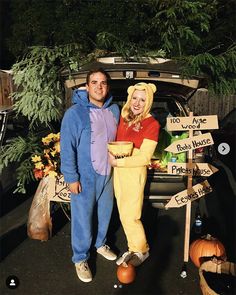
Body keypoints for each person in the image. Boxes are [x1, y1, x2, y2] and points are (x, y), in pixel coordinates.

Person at [60, 68, 120, 283]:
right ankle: (80, 257)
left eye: (103, 82)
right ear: (86, 86)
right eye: (94, 82)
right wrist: (71, 177)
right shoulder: (74, 113)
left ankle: (100, 243)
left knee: (105, 213)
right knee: (82, 219)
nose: (99, 87)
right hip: (85, 176)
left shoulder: (114, 109)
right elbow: (67, 148)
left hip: (108, 173)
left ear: (108, 86)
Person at [109, 82, 160, 267]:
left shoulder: (152, 124)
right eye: (135, 98)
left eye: (142, 100)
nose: (137, 103)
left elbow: (145, 157)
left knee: (131, 215)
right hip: (119, 173)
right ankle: (132, 247)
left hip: (133, 174)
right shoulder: (124, 117)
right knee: (124, 214)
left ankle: (141, 250)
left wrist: (118, 161)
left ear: (148, 102)